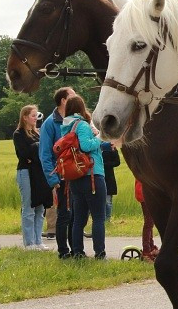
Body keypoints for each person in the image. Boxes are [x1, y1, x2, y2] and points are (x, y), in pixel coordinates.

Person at [61, 96, 109, 259]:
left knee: (79, 218)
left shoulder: (66, 126)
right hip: (92, 175)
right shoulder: (81, 125)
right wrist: (99, 137)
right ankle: (100, 252)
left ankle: (78, 252)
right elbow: (86, 146)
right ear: (81, 108)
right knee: (98, 217)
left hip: (75, 177)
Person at [40, 86, 78, 258]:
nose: (76, 97)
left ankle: (77, 249)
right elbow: (45, 154)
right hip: (61, 175)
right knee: (64, 215)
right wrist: (53, 180)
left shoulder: (75, 120)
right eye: (72, 95)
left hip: (77, 174)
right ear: (63, 100)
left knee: (77, 215)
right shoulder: (50, 123)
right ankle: (64, 252)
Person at [13, 104, 50, 250]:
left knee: (40, 208)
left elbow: (41, 152)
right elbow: (24, 154)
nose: (36, 118)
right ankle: (29, 243)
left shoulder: (37, 133)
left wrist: (35, 148)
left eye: (36, 115)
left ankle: (38, 240)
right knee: (29, 207)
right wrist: (37, 148)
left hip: (39, 173)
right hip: (26, 173)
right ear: (25, 117)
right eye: (33, 116)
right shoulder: (19, 134)